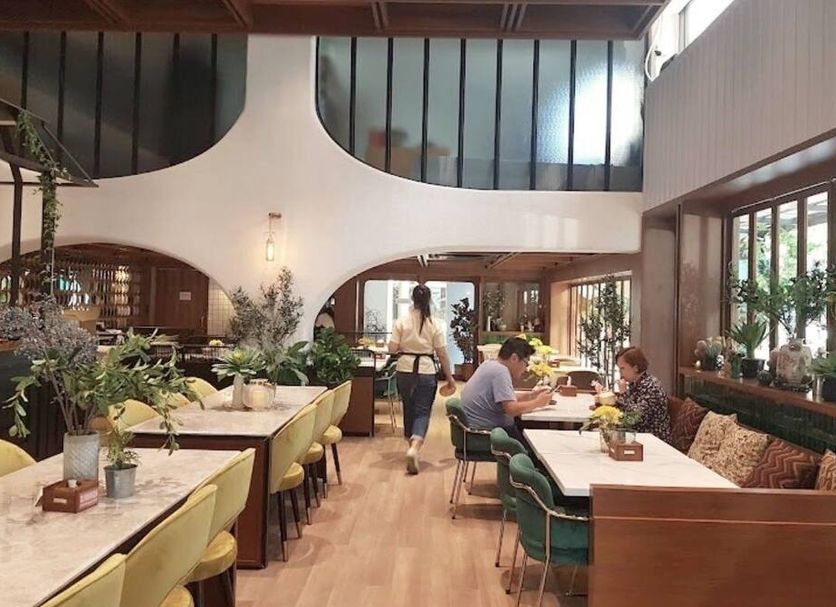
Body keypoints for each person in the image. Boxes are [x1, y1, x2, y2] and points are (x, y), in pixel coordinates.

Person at [388, 284, 457, 475]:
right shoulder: (435, 323)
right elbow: (442, 354)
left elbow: (392, 349)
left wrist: (404, 344)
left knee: (408, 408)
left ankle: (411, 447)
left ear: (412, 299)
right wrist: (450, 378)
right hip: (426, 370)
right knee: (422, 411)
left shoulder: (401, 321)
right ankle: (414, 448)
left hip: (404, 369)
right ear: (429, 300)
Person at [460, 337, 553, 441]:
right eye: (526, 363)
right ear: (514, 358)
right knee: (539, 436)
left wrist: (531, 395)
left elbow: (505, 397)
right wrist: (538, 402)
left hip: (476, 428)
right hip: (487, 434)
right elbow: (511, 409)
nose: (526, 368)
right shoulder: (500, 372)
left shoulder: (489, 364)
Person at [596, 346, 672, 443]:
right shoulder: (636, 383)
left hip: (652, 438)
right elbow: (625, 410)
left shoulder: (651, 386)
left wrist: (623, 393)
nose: (620, 373)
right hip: (636, 434)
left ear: (635, 368)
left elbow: (635, 418)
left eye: (622, 368)